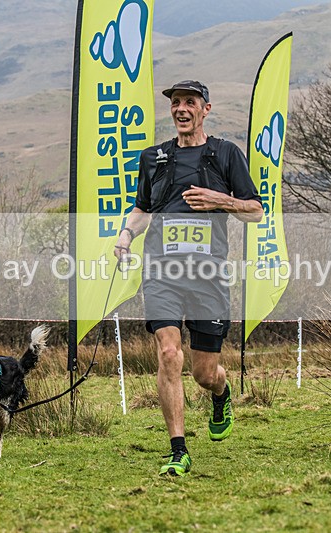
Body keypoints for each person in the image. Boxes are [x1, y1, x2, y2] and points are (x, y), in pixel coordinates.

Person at [114, 80, 263, 476]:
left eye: (190, 102)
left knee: (203, 373)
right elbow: (143, 208)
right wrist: (127, 235)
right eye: (176, 102)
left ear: (205, 109)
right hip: (162, 271)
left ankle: (221, 392)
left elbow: (255, 211)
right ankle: (178, 449)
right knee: (168, 353)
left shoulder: (226, 154)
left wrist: (220, 200)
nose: (181, 108)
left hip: (207, 275)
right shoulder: (154, 158)